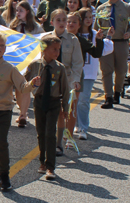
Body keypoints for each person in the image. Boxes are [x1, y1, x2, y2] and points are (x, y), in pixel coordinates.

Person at [0, 30, 40, 191]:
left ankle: (5, 175)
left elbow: (22, 87)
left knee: (0, 143)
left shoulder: (10, 69)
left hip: (3, 111)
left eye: (2, 45)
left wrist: (33, 84)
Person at [24, 35, 69, 180]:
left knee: (50, 133)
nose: (57, 52)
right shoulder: (35, 65)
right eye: (54, 49)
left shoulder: (59, 68)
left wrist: (65, 108)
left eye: (58, 49)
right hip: (39, 101)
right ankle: (42, 162)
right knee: (41, 133)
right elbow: (24, 83)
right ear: (43, 49)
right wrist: (32, 83)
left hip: (54, 102)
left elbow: (65, 90)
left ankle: (50, 167)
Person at [95, 0, 130, 108]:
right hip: (106, 43)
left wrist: (129, 33)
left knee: (121, 71)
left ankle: (117, 93)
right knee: (106, 71)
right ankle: (108, 97)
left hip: (121, 43)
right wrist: (99, 35)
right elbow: (96, 27)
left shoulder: (127, 8)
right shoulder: (101, 9)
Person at [64, 12, 105, 144]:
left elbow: (96, 53)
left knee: (74, 104)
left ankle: (76, 131)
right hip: (61, 76)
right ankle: (60, 131)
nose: (70, 24)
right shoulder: (58, 38)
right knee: (60, 105)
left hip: (76, 76)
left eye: (74, 22)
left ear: (79, 25)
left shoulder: (81, 41)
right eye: (68, 21)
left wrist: (99, 40)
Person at [75, 8, 114, 140]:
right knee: (74, 101)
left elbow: (104, 50)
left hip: (89, 73)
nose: (88, 19)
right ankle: (74, 124)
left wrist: (106, 37)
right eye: (85, 17)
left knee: (83, 100)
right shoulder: (74, 35)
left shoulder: (95, 34)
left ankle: (83, 128)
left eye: (90, 17)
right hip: (74, 73)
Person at [49, 9, 83, 156]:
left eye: (64, 20)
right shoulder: (46, 39)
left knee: (69, 109)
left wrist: (75, 80)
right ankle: (54, 139)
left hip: (68, 79)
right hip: (51, 79)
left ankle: (68, 135)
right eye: (59, 20)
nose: (62, 23)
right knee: (53, 110)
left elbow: (77, 63)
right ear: (52, 22)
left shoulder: (73, 40)